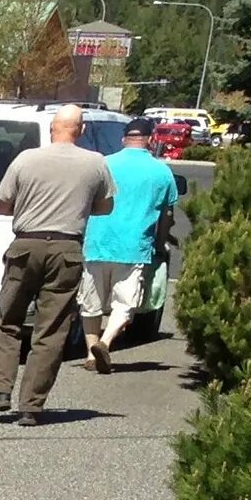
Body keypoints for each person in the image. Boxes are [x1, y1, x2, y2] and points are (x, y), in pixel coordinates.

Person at [0, 105, 114, 425]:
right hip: (67, 249)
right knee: (51, 329)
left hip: (26, 244)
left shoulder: (26, 158)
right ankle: (31, 405)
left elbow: (2, 205)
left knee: (8, 320)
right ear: (80, 130)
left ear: (53, 128)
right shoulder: (95, 163)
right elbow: (106, 206)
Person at [79, 124, 179, 370]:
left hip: (96, 242)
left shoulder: (103, 164)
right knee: (125, 303)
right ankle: (105, 341)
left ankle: (91, 355)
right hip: (134, 246)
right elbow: (167, 213)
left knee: (90, 302)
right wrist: (160, 241)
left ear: (124, 139)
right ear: (151, 139)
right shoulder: (161, 172)